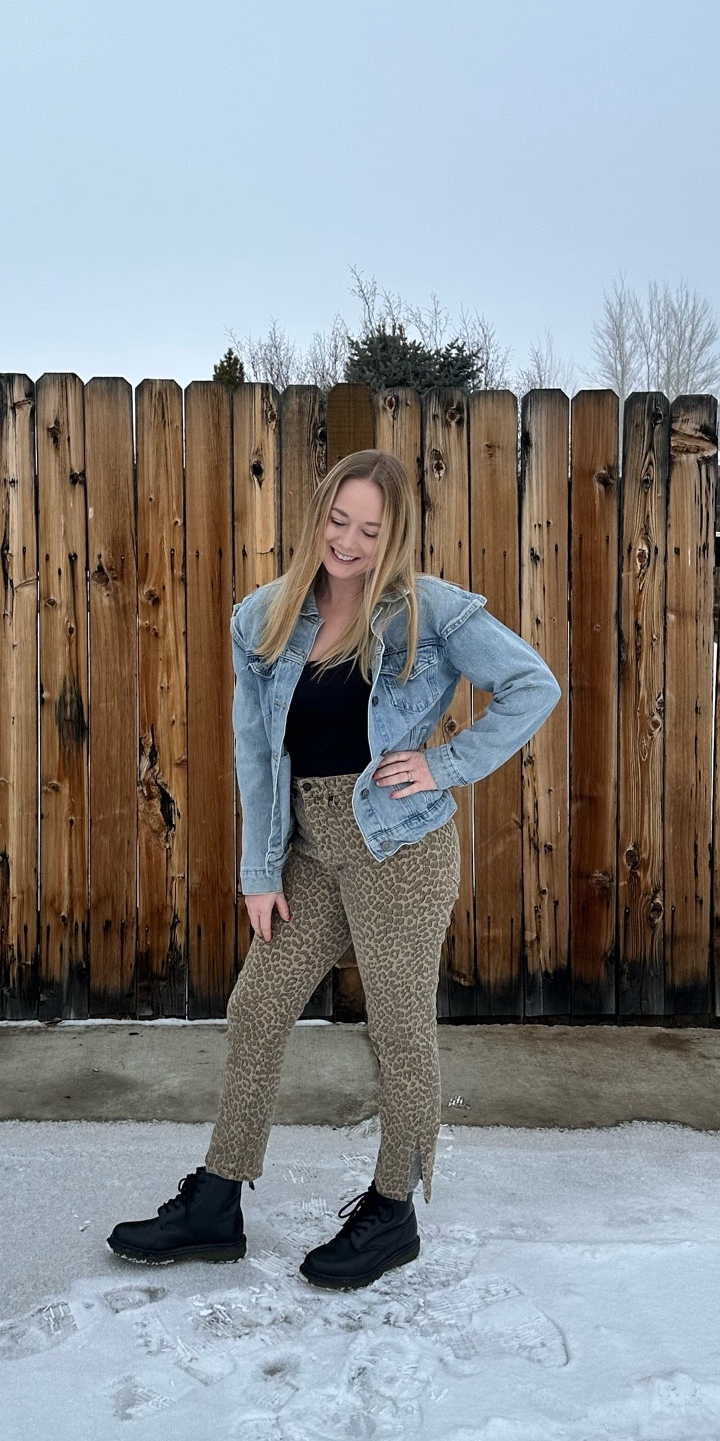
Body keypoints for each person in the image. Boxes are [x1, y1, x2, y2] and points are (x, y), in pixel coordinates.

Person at [108, 447, 561, 1289]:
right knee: (257, 1005)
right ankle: (217, 1199)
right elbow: (254, 752)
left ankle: (394, 1210)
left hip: (400, 849)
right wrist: (259, 868)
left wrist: (445, 763)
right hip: (310, 851)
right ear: (318, 515)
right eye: (337, 520)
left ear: (394, 538)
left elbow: (534, 685)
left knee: (399, 1030)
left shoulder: (429, 612)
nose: (348, 541)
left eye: (370, 529)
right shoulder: (266, 618)